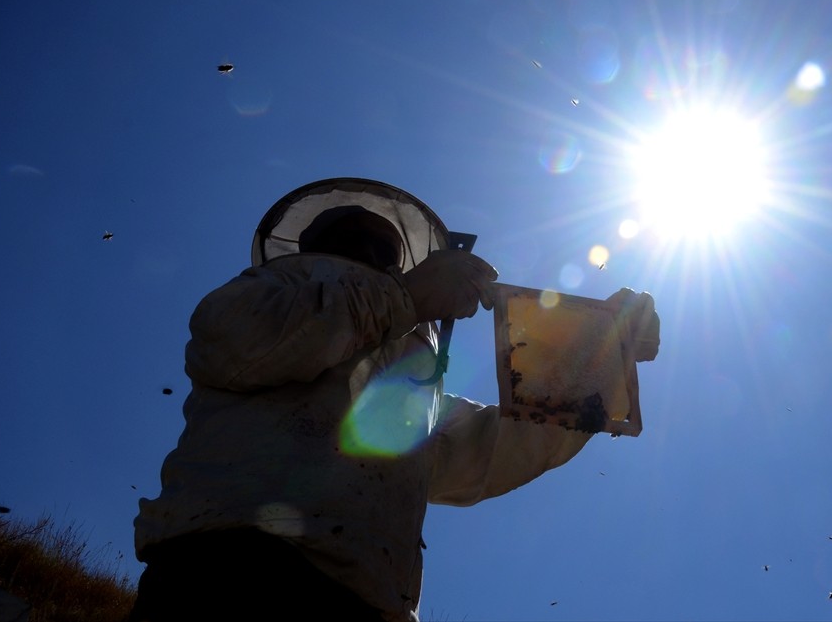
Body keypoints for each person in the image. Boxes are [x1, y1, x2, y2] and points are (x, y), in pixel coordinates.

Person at [130, 177, 659, 622]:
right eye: (353, 238)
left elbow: (494, 451)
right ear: (313, 248)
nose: (372, 253)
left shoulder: (410, 400)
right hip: (227, 572)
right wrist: (404, 298)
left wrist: (600, 357)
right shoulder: (268, 293)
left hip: (369, 602)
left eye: (385, 249)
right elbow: (238, 343)